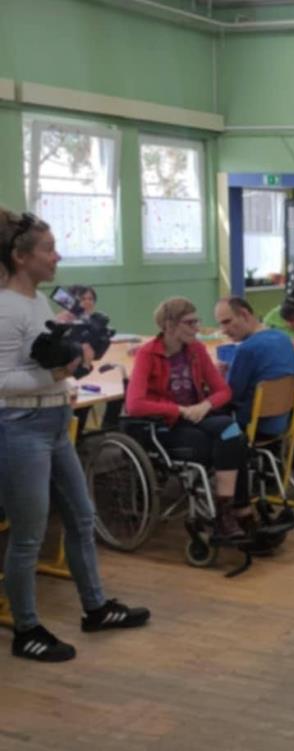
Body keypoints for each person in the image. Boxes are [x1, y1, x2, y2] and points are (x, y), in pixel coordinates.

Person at [0, 208, 149, 662]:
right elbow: (3, 381)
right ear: (20, 257)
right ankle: (27, 629)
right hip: (20, 427)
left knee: (82, 518)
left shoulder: (35, 302)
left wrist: (70, 361)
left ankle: (96, 608)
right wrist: (62, 371)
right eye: (49, 249)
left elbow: (41, 362)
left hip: (52, 422)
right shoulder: (6, 307)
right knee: (28, 535)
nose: (57, 257)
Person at [126, 298, 249, 541]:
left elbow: (223, 391)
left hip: (195, 416)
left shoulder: (196, 350)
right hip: (165, 424)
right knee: (229, 438)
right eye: (190, 323)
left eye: (197, 321)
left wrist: (205, 405)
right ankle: (233, 511)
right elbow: (134, 405)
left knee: (233, 432)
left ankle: (230, 509)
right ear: (169, 325)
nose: (197, 328)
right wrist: (179, 410)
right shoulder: (147, 354)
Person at [212, 297, 294, 437]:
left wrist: (219, 377)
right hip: (283, 423)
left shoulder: (247, 350)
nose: (223, 330)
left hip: (252, 427)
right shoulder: (283, 338)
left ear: (245, 314)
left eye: (227, 322)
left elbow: (230, 395)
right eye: (220, 324)